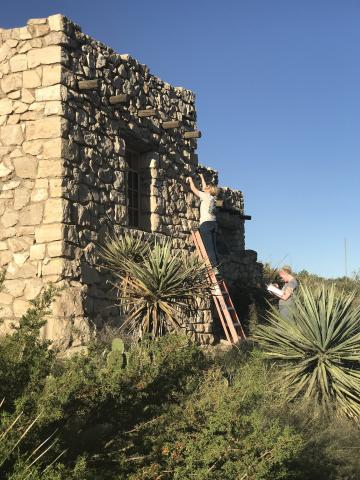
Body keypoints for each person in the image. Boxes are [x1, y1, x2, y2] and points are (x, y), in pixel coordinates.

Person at [187, 173, 220, 271]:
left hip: (206, 225)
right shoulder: (215, 199)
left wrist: (190, 180)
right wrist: (201, 176)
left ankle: (214, 268)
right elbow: (204, 187)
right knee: (213, 247)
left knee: (208, 247)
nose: (205, 187)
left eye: (207, 187)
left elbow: (194, 189)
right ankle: (218, 267)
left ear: (210, 190)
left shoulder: (206, 196)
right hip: (214, 224)